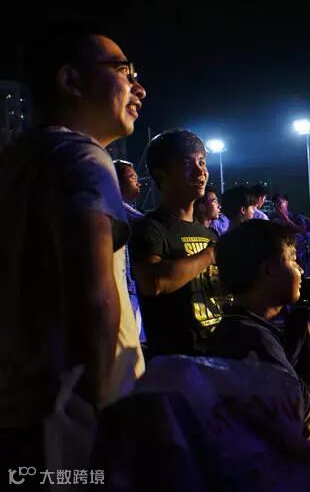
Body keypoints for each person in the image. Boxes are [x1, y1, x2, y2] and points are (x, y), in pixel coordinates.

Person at [0, 24, 146, 469]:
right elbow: (94, 297)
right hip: (74, 422)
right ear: (71, 80)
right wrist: (97, 409)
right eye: (123, 70)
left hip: (19, 411)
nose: (138, 88)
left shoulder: (17, 160)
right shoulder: (84, 158)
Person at [207, 221, 310, 438]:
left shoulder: (235, 328)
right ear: (268, 270)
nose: (300, 269)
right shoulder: (254, 339)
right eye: (293, 259)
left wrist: (306, 377)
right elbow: (306, 423)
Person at [130, 130, 223, 357]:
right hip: (176, 361)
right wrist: (210, 255)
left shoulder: (209, 234)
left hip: (215, 354)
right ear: (161, 175)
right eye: (187, 163)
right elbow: (153, 282)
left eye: (202, 162)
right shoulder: (150, 228)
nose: (201, 171)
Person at [115, 160, 147, 343]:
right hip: (127, 285)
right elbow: (147, 223)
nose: (138, 182)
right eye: (132, 177)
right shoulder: (117, 207)